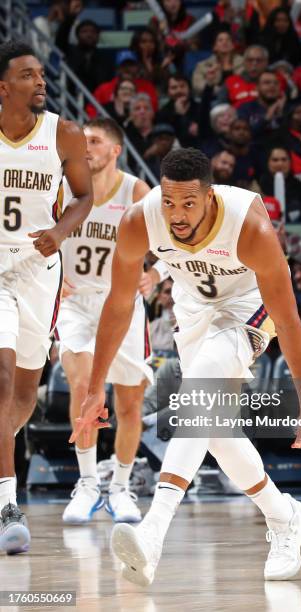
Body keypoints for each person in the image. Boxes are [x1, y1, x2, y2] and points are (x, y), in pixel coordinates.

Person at [70, 148, 301, 586]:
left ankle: (153, 531)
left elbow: (288, 320)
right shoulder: (139, 220)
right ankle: (286, 517)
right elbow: (118, 304)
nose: (177, 213)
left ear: (210, 196)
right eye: (169, 202)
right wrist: (95, 387)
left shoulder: (250, 227)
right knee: (214, 431)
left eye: (188, 203)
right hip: (194, 308)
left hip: (249, 305)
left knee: (199, 393)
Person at [0, 41, 93, 554]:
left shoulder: (64, 132)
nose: (40, 82)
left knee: (23, 395)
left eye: (41, 74)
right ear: (3, 87)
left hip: (40, 268)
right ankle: (7, 504)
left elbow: (84, 196)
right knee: (2, 374)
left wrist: (60, 231)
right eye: (27, 75)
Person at [57, 118, 153, 524]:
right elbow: (34, 231)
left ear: (115, 150)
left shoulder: (136, 191)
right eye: (82, 142)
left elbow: (172, 240)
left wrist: (157, 274)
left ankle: (121, 487)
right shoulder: (62, 187)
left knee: (128, 402)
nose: (86, 148)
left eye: (94, 141)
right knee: (81, 385)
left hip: (122, 305)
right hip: (76, 302)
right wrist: (49, 269)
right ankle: (88, 483)